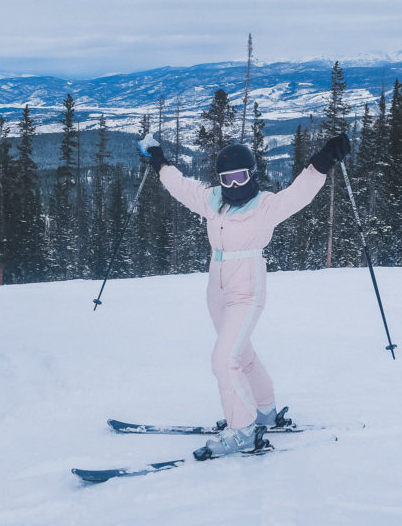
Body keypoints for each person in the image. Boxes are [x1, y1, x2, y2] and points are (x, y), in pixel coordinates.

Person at [139, 132, 351, 458]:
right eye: (228, 179)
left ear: (251, 174)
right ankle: (264, 410)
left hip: (247, 289)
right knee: (242, 354)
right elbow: (182, 187)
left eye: (240, 177)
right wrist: (159, 161)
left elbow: (300, 193)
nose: (235, 185)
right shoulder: (213, 201)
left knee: (224, 361)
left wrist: (323, 160)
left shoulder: (265, 206)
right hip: (216, 289)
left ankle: (242, 431)